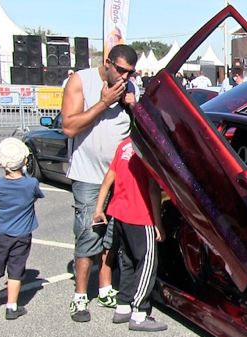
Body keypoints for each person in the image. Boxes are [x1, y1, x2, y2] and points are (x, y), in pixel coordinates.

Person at [62, 44, 138, 322]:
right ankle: (80, 296)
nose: (124, 77)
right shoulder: (81, 81)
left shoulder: (130, 88)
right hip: (88, 176)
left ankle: (105, 288)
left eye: (130, 73)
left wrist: (133, 106)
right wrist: (104, 103)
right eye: (120, 70)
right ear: (108, 63)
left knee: (112, 237)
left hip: (119, 177)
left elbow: (138, 129)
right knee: (87, 235)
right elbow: (69, 127)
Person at [93, 138, 167, 331]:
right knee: (147, 262)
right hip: (141, 215)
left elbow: (109, 178)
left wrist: (99, 209)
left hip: (119, 213)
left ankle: (123, 306)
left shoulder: (125, 145)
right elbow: (153, 189)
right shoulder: (148, 149)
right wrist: (158, 223)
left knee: (127, 261)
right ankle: (139, 312)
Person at [0, 138, 44, 320]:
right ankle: (12, 306)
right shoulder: (31, 183)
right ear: (25, 161)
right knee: (16, 271)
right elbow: (35, 196)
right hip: (21, 235)